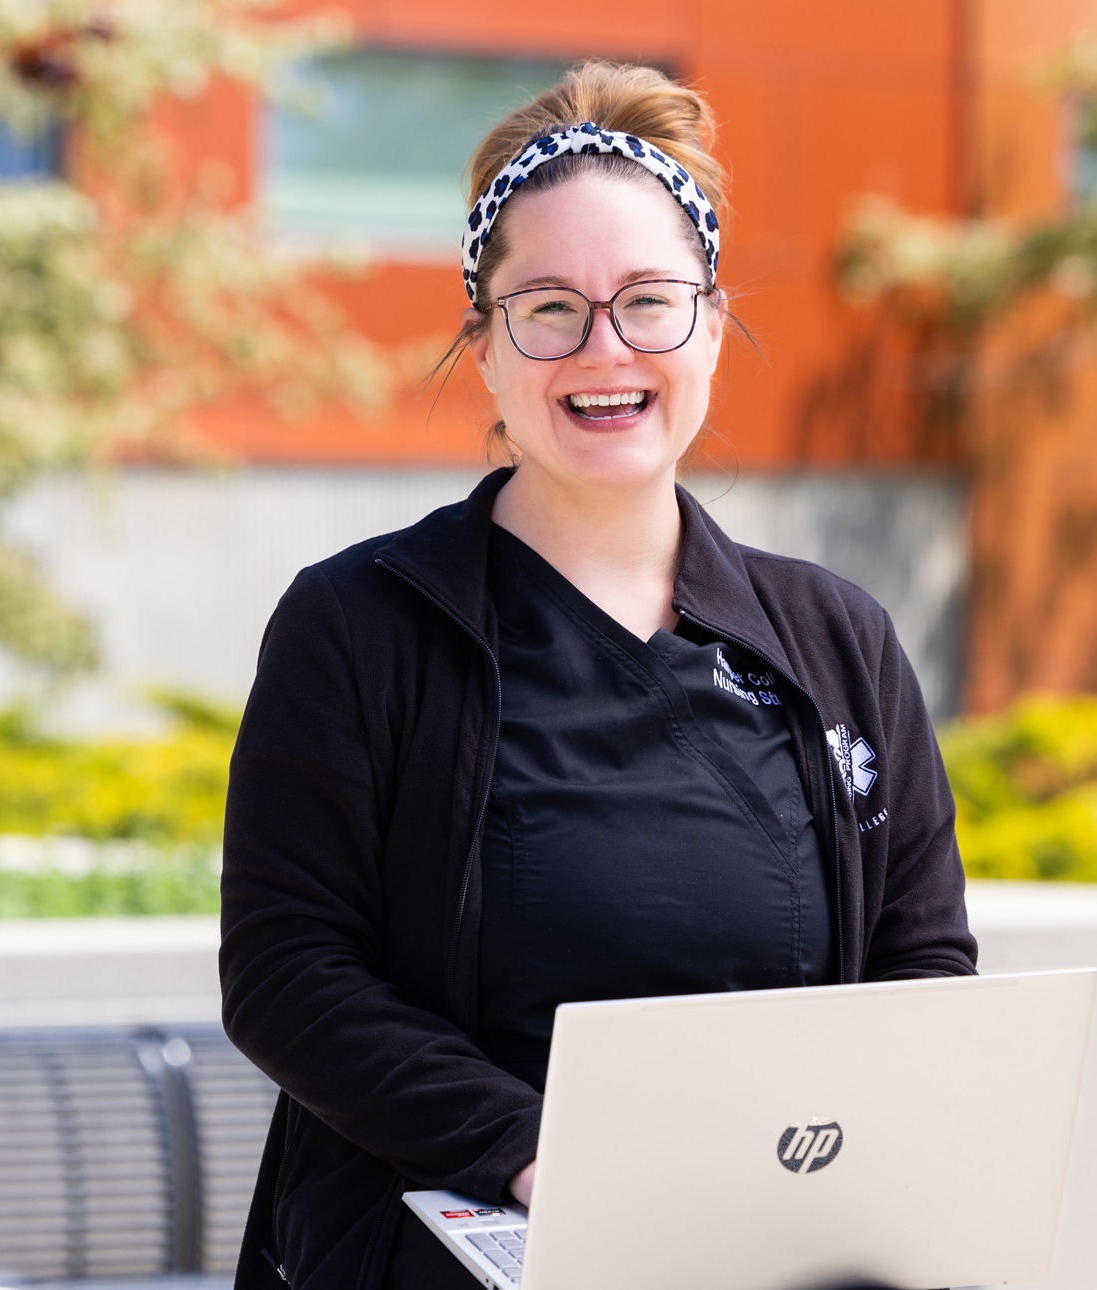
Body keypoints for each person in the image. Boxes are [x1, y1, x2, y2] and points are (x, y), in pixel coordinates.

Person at [220, 60, 977, 1290]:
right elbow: (286, 971)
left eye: (648, 301)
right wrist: (537, 1155)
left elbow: (924, 968)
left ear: (714, 328)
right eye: (550, 307)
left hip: (765, 1243)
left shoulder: (837, 639)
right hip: (461, 1238)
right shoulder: (358, 626)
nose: (603, 347)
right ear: (486, 346)